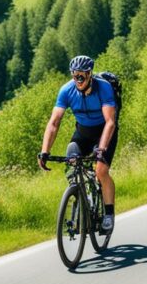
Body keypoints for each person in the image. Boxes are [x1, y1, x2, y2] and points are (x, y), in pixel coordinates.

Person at [37, 55, 118, 233]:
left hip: (104, 132)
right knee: (72, 164)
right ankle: (82, 200)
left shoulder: (103, 88)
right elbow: (54, 122)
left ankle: (108, 214)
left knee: (101, 170)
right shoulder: (66, 91)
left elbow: (110, 122)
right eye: (75, 76)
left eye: (82, 75)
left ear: (90, 74)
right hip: (82, 133)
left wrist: (102, 149)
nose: (78, 79)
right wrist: (45, 151)